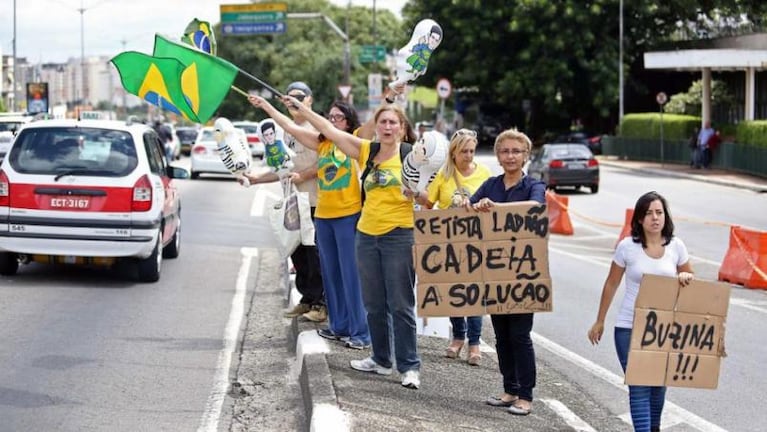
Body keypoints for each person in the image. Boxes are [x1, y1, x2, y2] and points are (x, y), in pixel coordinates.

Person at [286, 94, 422, 390]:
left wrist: (416, 194)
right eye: (383, 121)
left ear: (402, 127)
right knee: (373, 301)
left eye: (393, 122)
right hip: (366, 234)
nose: (387, 127)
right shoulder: (368, 151)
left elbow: (431, 197)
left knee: (400, 304)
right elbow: (330, 131)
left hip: (399, 235)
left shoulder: (412, 156)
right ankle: (382, 360)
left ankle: (409, 366)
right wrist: (304, 110)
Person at [248, 94, 371, 350]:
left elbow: (377, 122)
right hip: (324, 217)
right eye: (332, 116)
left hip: (348, 215)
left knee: (350, 275)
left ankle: (360, 332)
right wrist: (266, 106)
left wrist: (392, 95)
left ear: (349, 122)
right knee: (331, 275)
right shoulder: (321, 144)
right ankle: (339, 326)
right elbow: (289, 126)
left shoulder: (356, 141)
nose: (335, 121)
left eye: (340, 117)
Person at [587, 191, 694, 432]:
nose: (655, 218)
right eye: (648, 213)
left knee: (658, 386)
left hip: (664, 329)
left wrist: (686, 276)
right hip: (629, 327)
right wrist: (600, 320)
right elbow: (611, 283)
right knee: (639, 384)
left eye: (659, 212)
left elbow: (691, 282)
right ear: (639, 219)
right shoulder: (627, 247)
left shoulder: (677, 246)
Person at [467, 128, 545, 415]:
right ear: (498, 155)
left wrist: (497, 207)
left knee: (520, 335)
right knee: (501, 335)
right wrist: (474, 205)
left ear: (526, 156)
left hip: (524, 273)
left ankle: (526, 395)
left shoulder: (534, 185)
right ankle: (509, 389)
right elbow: (467, 208)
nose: (510, 156)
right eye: (505, 151)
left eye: (516, 151)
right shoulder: (490, 184)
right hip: (495, 271)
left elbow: (536, 208)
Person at [242, 82, 327, 323]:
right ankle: (307, 299)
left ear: (309, 100)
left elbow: (328, 160)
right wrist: (256, 179)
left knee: (315, 255)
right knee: (297, 253)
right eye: (288, 98)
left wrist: (305, 176)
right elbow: (282, 169)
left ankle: (321, 303)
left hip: (314, 200)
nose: (293, 102)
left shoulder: (317, 127)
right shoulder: (286, 131)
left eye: (299, 97)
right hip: (292, 202)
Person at [414, 128, 491, 366]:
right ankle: (458, 337)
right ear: (454, 153)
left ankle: (474, 343)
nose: (468, 155)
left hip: (476, 243)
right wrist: (414, 193)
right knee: (455, 292)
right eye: (464, 151)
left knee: (474, 296)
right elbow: (429, 203)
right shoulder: (444, 176)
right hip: (449, 243)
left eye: (471, 151)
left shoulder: (485, 174)